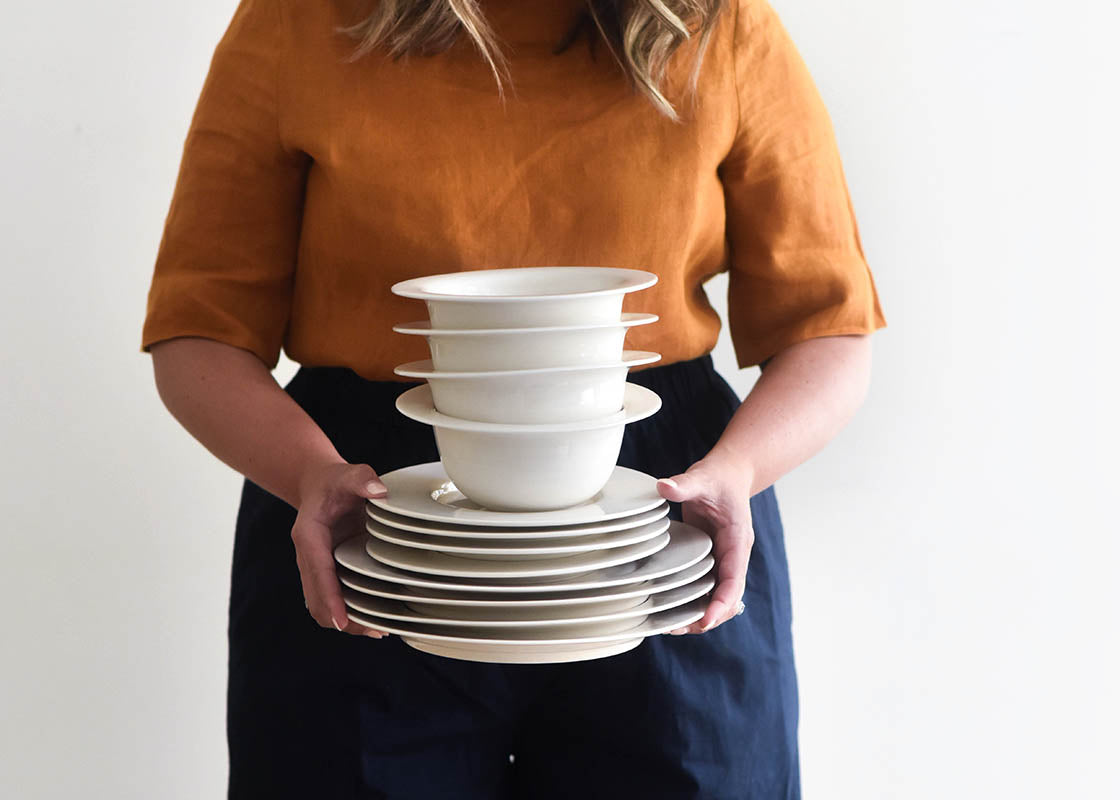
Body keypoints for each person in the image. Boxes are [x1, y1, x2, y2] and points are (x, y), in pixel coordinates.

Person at [141, 0, 886, 797]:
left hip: (667, 510)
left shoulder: (721, 24)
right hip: (363, 511)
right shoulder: (298, 19)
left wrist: (738, 471)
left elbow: (829, 330)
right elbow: (200, 333)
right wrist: (308, 476)